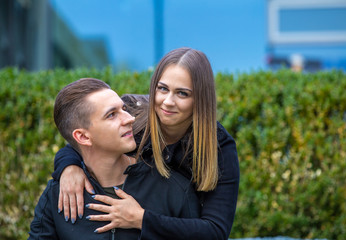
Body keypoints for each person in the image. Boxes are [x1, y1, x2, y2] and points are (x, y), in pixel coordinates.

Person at [53, 47, 240, 239]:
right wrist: (69, 167)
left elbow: (215, 232)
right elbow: (85, 140)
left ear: (200, 99)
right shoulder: (132, 112)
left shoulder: (218, 146)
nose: (168, 101)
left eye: (182, 93)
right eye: (163, 88)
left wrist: (141, 219)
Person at [28, 78, 200, 239]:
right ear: (83, 137)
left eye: (124, 109)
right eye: (111, 115)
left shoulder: (174, 188)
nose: (130, 119)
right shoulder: (57, 195)